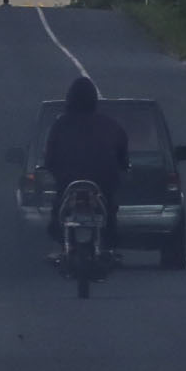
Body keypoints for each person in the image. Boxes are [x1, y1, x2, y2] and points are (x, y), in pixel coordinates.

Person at [40, 74, 129, 260]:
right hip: (103, 182)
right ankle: (108, 245)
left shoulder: (60, 125)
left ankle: (63, 240)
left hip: (68, 181)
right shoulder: (111, 126)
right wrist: (121, 167)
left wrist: (53, 169)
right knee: (110, 208)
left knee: (58, 208)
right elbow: (122, 157)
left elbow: (49, 158)